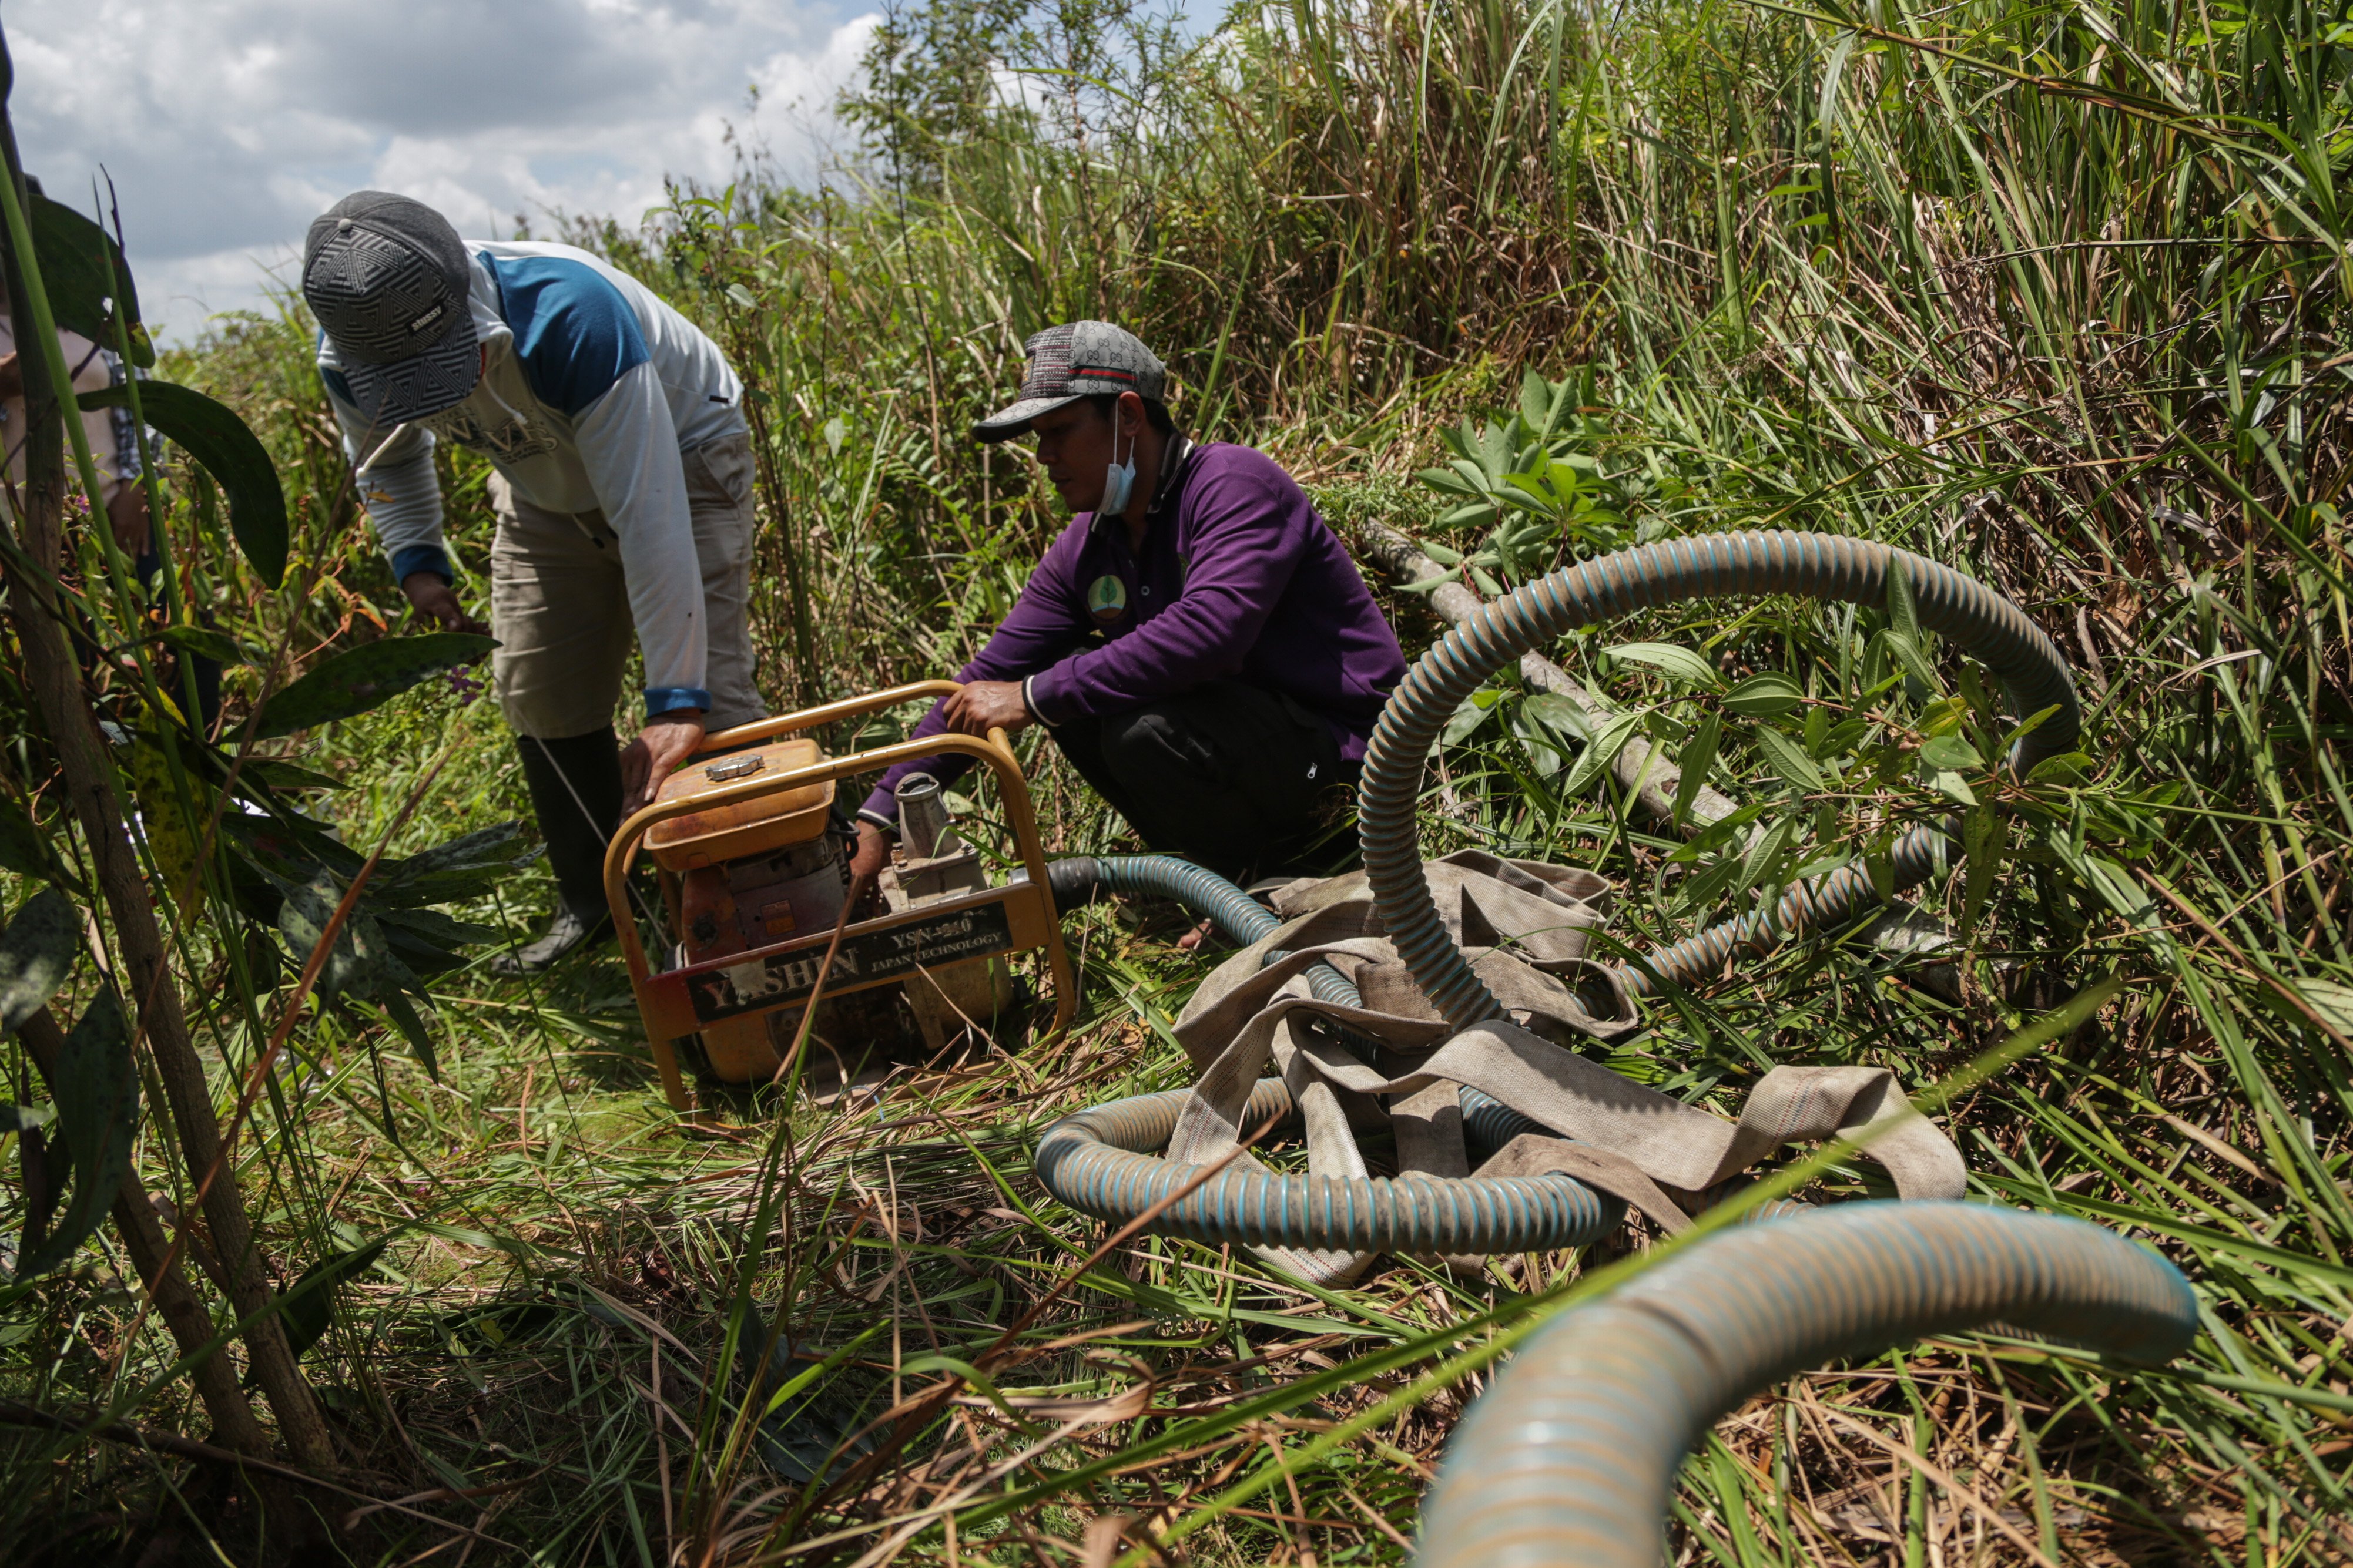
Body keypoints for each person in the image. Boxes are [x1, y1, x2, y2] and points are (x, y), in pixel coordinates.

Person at [305, 191, 765, 973]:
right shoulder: (351, 355)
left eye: (449, 367)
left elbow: (652, 522)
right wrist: (417, 561)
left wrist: (676, 702)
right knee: (538, 686)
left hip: (683, 460)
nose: (444, 396)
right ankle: (598, 904)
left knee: (711, 699)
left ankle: (759, 907)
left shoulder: (570, 316)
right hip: (541, 482)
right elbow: (389, 458)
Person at [853, 321, 1406, 888]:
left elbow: (1209, 634)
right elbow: (990, 678)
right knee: (1067, 694)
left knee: (1121, 724)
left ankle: (1271, 879)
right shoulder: (1088, 547)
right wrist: (879, 816)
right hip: (1258, 753)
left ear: (1129, 416)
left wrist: (1034, 695)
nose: (1044, 456)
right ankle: (1221, 875)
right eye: (1037, 437)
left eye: (1060, 430)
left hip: (1355, 764)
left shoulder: (1233, 484)